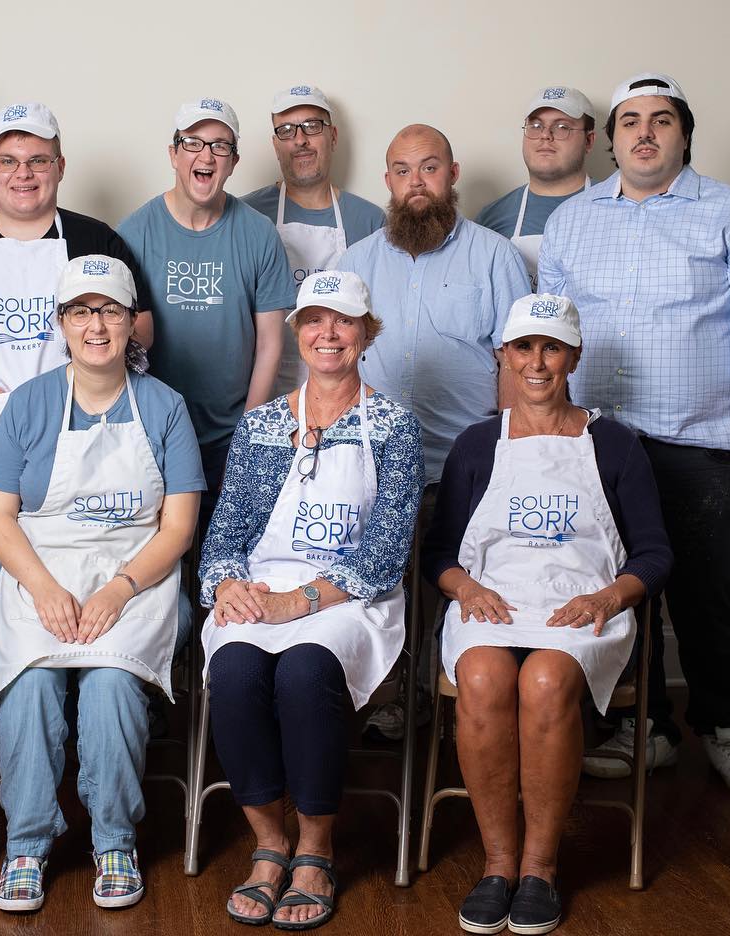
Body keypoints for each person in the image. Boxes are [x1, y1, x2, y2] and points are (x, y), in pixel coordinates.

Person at [538, 72, 730, 793]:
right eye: (629, 122)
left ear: (684, 134)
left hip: (701, 437)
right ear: (611, 138)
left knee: (710, 591)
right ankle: (643, 727)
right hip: (596, 443)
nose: (644, 133)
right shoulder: (573, 221)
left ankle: (725, 725)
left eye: (660, 120)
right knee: (616, 587)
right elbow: (549, 337)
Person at [0, 103, 150, 771]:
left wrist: (84, 387)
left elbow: (144, 326)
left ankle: (78, 717)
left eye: (38, 160)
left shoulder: (96, 238)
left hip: (85, 443)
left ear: (60, 167)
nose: (24, 174)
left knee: (78, 572)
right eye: (9, 161)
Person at [422, 293, 671, 935]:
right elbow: (440, 554)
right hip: (494, 601)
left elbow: (653, 553)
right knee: (480, 679)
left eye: (551, 348)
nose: (537, 362)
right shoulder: (478, 444)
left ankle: (540, 867)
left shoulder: (614, 444)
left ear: (574, 356)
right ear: (504, 355)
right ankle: (497, 864)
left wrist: (609, 597)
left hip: (582, 608)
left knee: (544, 681)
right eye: (524, 347)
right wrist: (463, 588)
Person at [0, 256, 203, 912]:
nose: (95, 325)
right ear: (62, 322)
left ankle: (113, 840)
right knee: (34, 678)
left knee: (108, 683)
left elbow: (177, 528)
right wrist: (46, 590)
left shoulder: (164, 407)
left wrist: (117, 591)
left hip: (138, 577)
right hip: (33, 570)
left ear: (132, 323)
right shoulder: (28, 404)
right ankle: (26, 842)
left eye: (109, 310)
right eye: (81, 311)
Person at [200, 270, 424, 929]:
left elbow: (384, 555)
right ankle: (269, 842)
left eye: (344, 321)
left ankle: (315, 847)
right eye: (315, 320)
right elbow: (226, 531)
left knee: (304, 672)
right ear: (297, 332)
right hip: (262, 591)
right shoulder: (263, 424)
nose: (329, 333)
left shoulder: (394, 426)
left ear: (365, 332)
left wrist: (298, 603)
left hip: (351, 598)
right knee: (236, 673)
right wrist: (228, 584)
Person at [337, 122, 529, 741]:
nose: (415, 182)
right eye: (401, 170)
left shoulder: (496, 256)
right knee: (387, 585)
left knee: (465, 584)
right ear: (387, 182)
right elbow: (333, 358)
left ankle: (463, 703)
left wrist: (506, 455)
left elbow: (516, 359)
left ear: (452, 174)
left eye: (428, 167)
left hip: (469, 464)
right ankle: (397, 699)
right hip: (376, 464)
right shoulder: (356, 263)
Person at [120, 97, 294, 493]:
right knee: (165, 551)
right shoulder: (134, 233)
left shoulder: (258, 233)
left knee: (227, 553)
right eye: (194, 143)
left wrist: (250, 432)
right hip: (155, 429)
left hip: (232, 432)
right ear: (173, 154)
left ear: (233, 161)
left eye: (220, 145)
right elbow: (120, 343)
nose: (207, 155)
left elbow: (270, 343)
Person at [241, 85, 383, 395]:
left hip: (349, 394)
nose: (300, 139)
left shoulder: (371, 221)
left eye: (312, 126)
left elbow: (381, 323)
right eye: (287, 130)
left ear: (332, 136)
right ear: (275, 145)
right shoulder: (245, 217)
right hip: (266, 394)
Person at [475, 86, 598, 290]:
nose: (545, 135)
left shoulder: (618, 204)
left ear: (589, 141)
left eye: (562, 127)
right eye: (536, 125)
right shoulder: (490, 219)